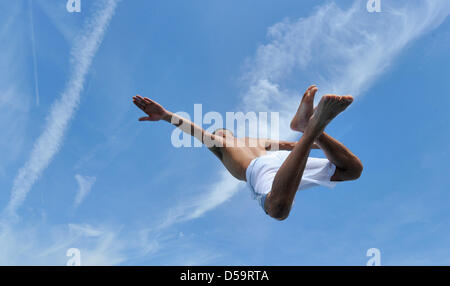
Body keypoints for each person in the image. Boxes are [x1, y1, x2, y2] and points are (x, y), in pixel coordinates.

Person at [132, 85, 363, 221]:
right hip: (282, 162)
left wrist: (165, 115)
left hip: (261, 169)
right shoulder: (255, 142)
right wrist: (321, 141)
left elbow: (194, 130)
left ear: (226, 135)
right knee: (352, 170)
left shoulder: (222, 144)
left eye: (221, 133)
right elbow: (296, 146)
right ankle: (307, 126)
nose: (219, 135)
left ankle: (310, 127)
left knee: (277, 209)